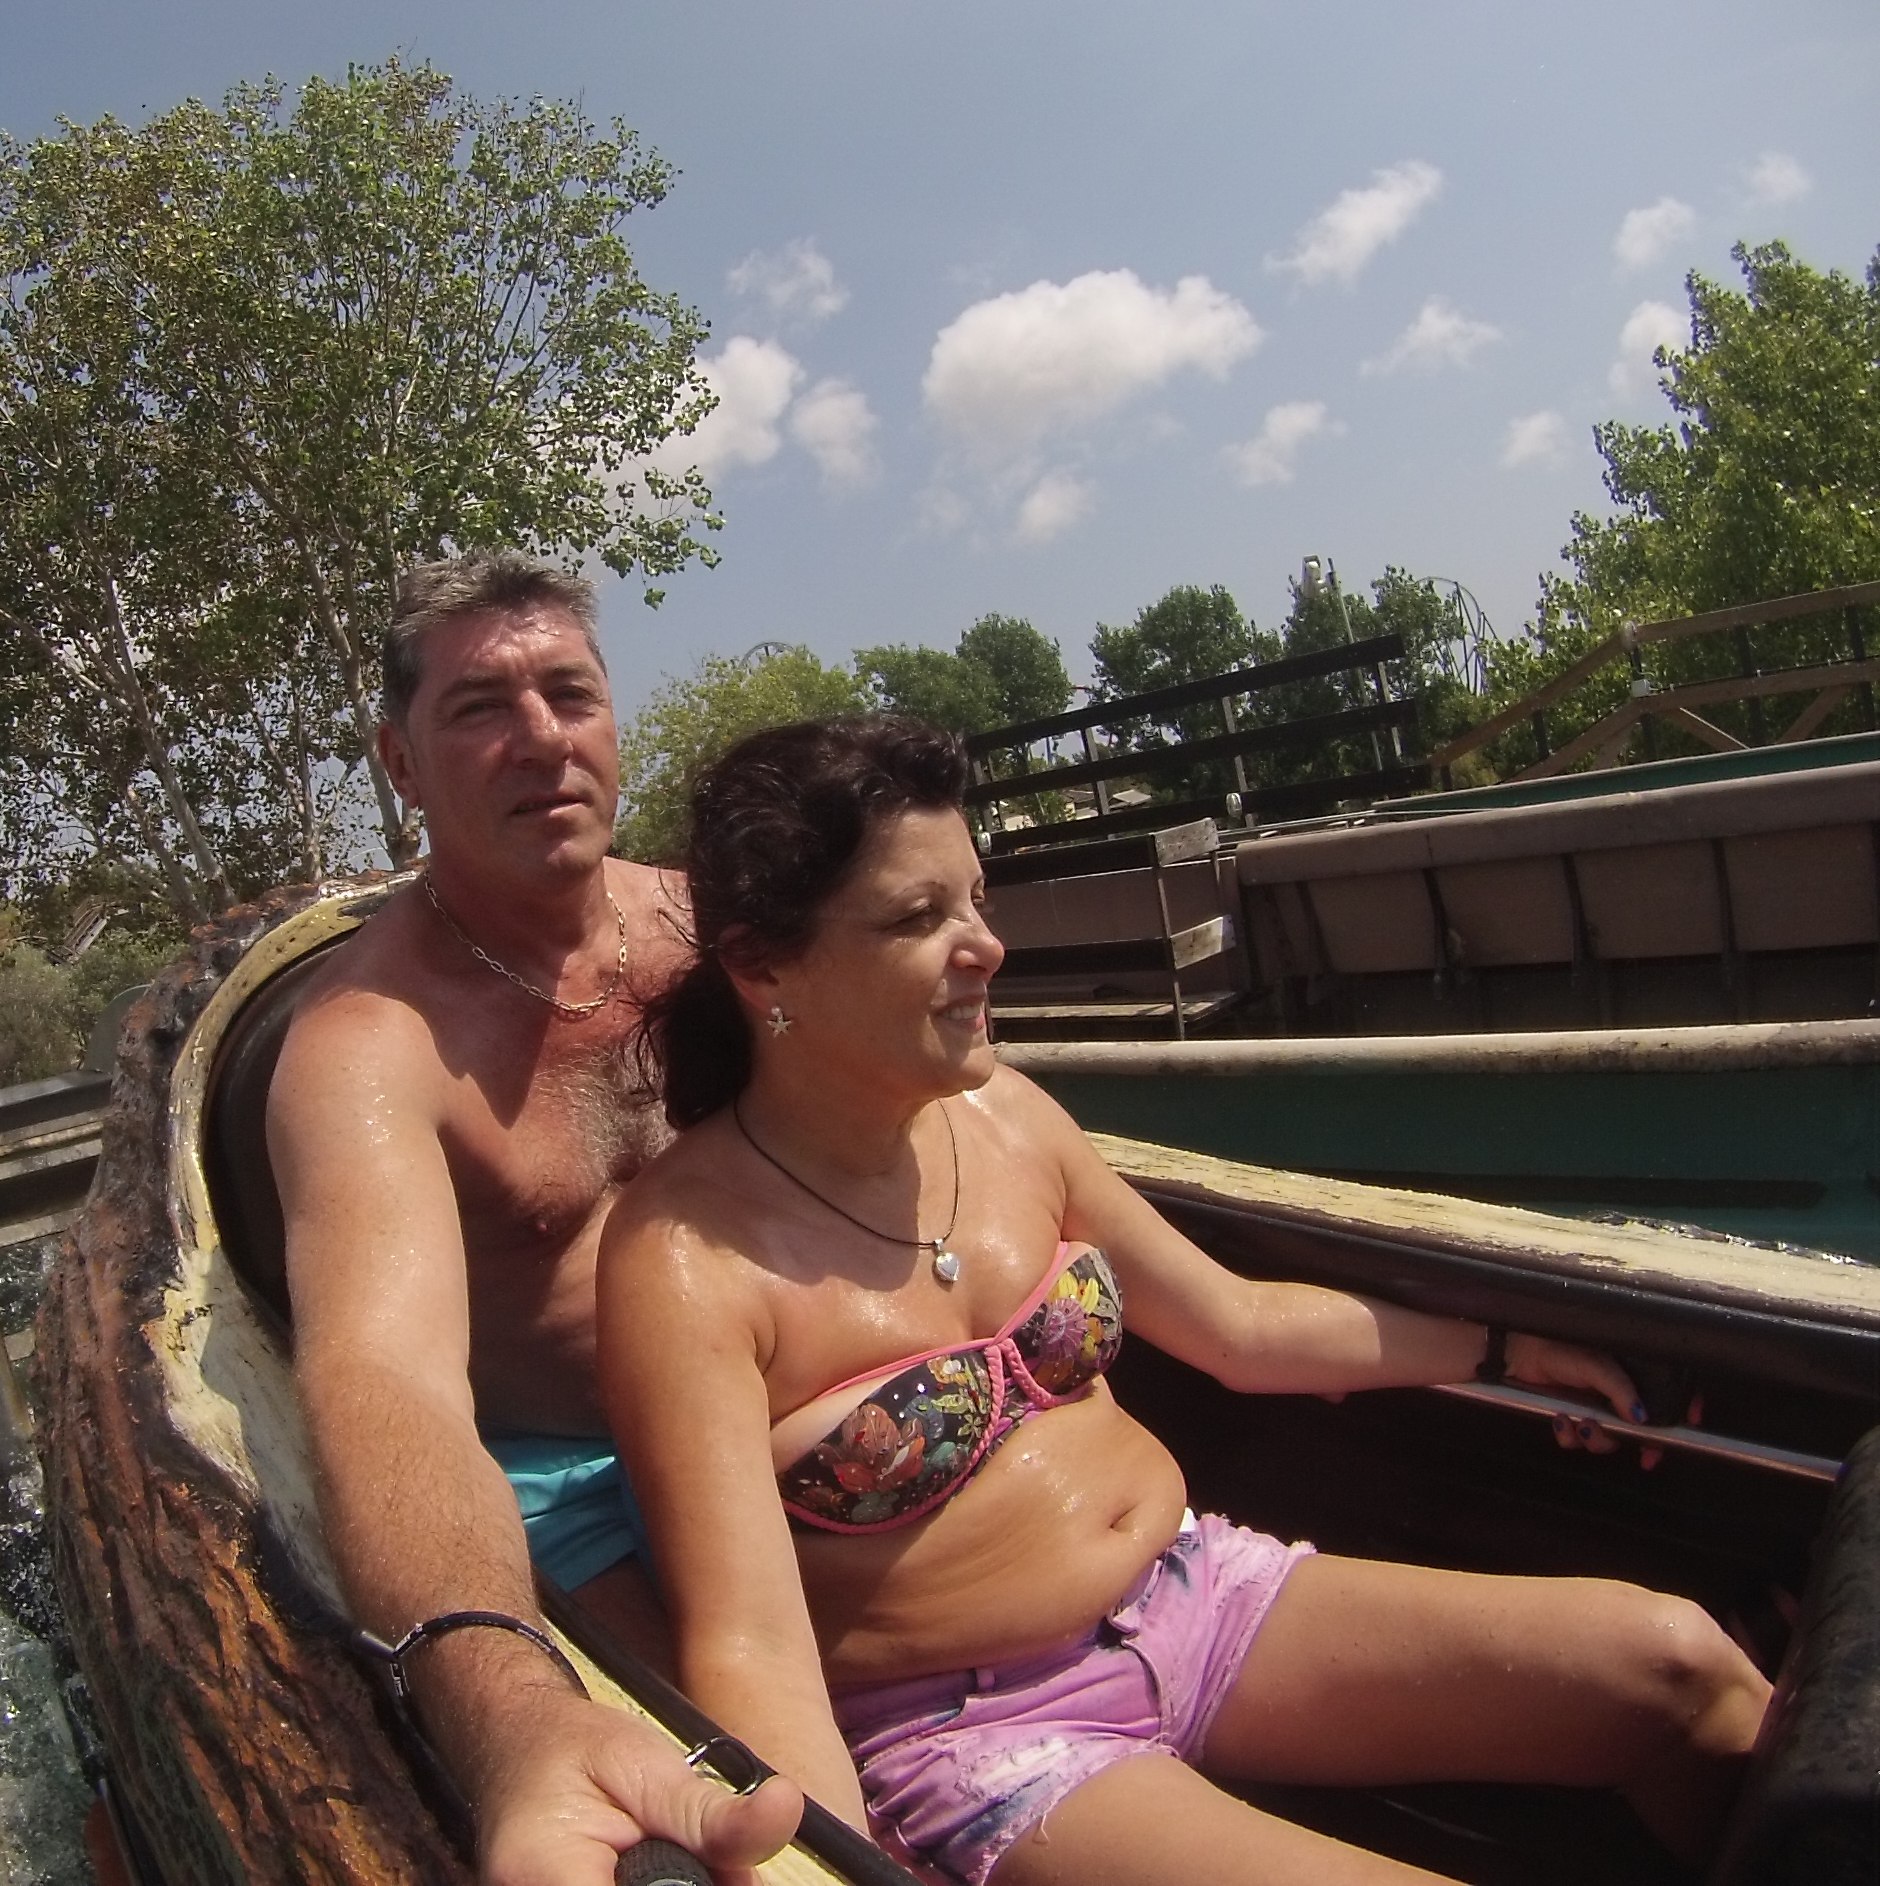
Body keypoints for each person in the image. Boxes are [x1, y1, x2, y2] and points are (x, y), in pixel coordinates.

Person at [597, 713, 1772, 1886]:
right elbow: (749, 1646)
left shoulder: (1008, 1118)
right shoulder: (685, 1260)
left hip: (1198, 1590)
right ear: (762, 966)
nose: (986, 947)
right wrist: (831, 1865)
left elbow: (1239, 1327)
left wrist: (1502, 1349)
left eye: (978, 901)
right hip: (979, 1737)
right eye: (919, 918)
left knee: (1680, 1671)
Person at [267, 552, 805, 1885]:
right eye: (479, 709)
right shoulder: (367, 1046)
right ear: (400, 762)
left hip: (782, 1407)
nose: (541, 738)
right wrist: (511, 1721)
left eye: (570, 694)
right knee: (736, 1812)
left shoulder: (712, 931)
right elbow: (385, 1382)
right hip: (570, 1491)